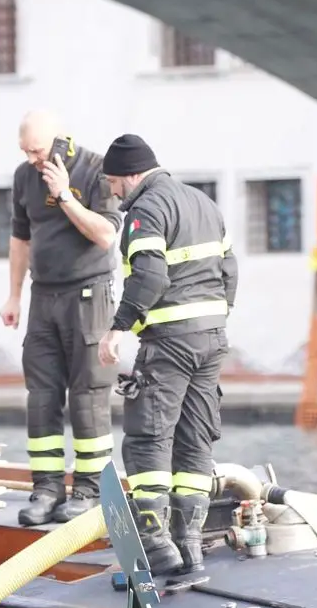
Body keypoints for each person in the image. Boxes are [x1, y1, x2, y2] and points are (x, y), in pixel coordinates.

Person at [97, 134, 237, 577]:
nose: (114, 192)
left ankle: (156, 547)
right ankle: (190, 545)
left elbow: (150, 275)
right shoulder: (203, 203)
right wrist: (213, 318)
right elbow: (230, 271)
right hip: (211, 338)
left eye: (115, 182)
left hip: (171, 340)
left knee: (149, 437)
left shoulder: (147, 209)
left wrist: (118, 327)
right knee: (195, 439)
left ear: (133, 175)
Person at [0, 110, 120, 527]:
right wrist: (13, 295)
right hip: (43, 295)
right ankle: (47, 488)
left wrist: (65, 194)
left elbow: (105, 235)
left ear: (57, 141)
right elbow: (20, 238)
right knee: (42, 394)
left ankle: (89, 490)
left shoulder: (95, 170)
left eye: (37, 150)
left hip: (89, 294)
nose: (33, 159)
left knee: (88, 394)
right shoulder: (23, 176)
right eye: (25, 151)